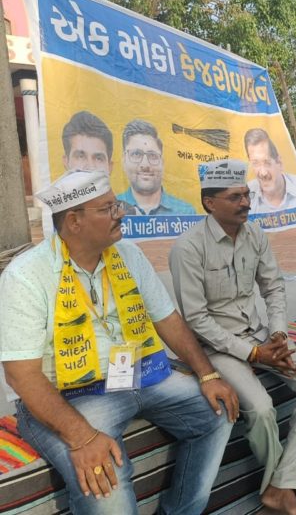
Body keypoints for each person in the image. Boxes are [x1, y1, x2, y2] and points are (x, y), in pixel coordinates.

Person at [0, 169, 238, 514]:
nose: (120, 213)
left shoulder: (128, 254)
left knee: (218, 410)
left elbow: (168, 319)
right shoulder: (26, 276)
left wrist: (208, 374)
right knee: (104, 474)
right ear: (74, 222)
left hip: (141, 375)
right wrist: (82, 437)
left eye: (117, 205)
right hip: (70, 395)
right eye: (108, 208)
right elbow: (21, 375)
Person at [169, 159, 296, 515]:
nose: (245, 203)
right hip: (217, 347)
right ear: (209, 203)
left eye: (246, 195)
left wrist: (278, 334)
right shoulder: (188, 248)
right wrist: (254, 354)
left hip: (261, 335)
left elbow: (273, 287)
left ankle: (284, 482)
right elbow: (196, 319)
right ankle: (280, 487)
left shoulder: (254, 234)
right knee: (260, 408)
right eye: (235, 197)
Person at [117, 119, 194, 215]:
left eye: (152, 155)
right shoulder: (109, 211)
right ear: (124, 161)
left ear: (162, 162)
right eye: (136, 154)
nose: (145, 165)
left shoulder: (186, 213)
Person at [244, 128, 296, 213]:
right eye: (255, 163)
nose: (263, 173)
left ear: (279, 163)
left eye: (267, 163)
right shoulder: (245, 194)